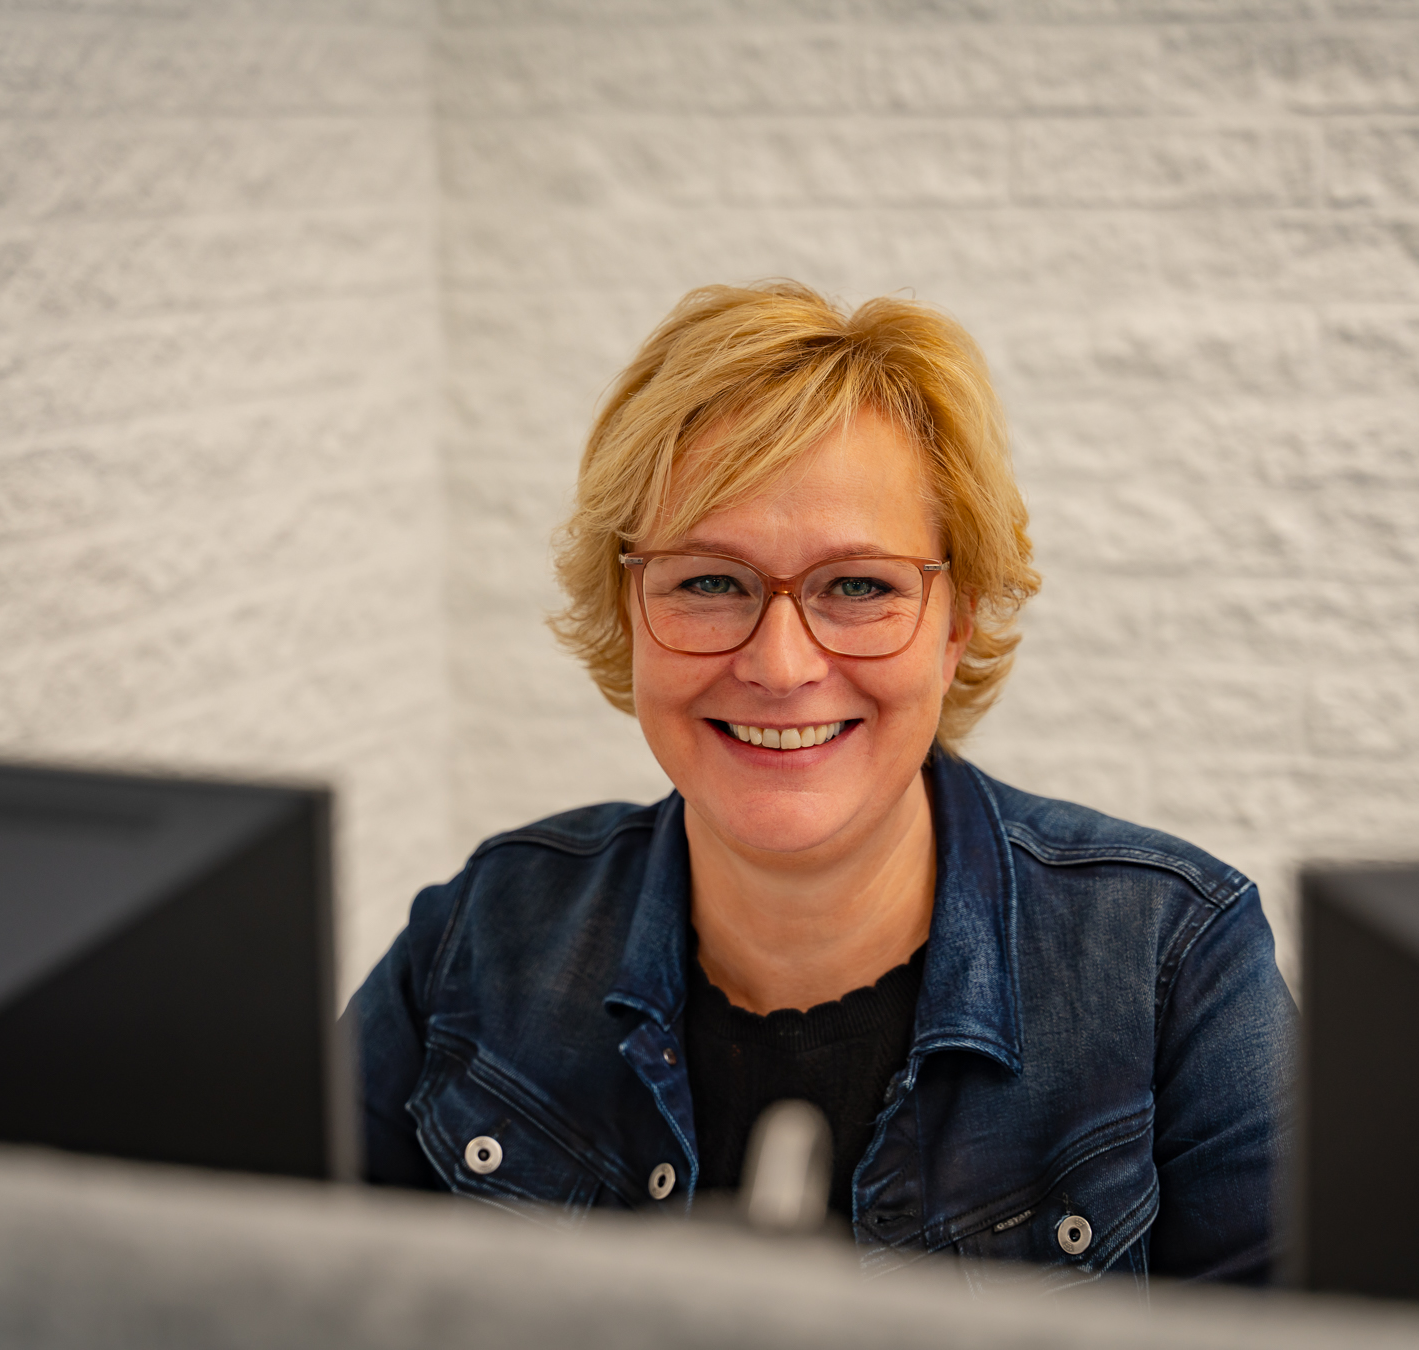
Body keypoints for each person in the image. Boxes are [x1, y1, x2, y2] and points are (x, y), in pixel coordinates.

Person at [352, 281, 1294, 1285]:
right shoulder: (480, 937)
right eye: (709, 581)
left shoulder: (1172, 966)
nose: (781, 664)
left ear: (958, 622)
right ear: (628, 610)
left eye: (858, 586)